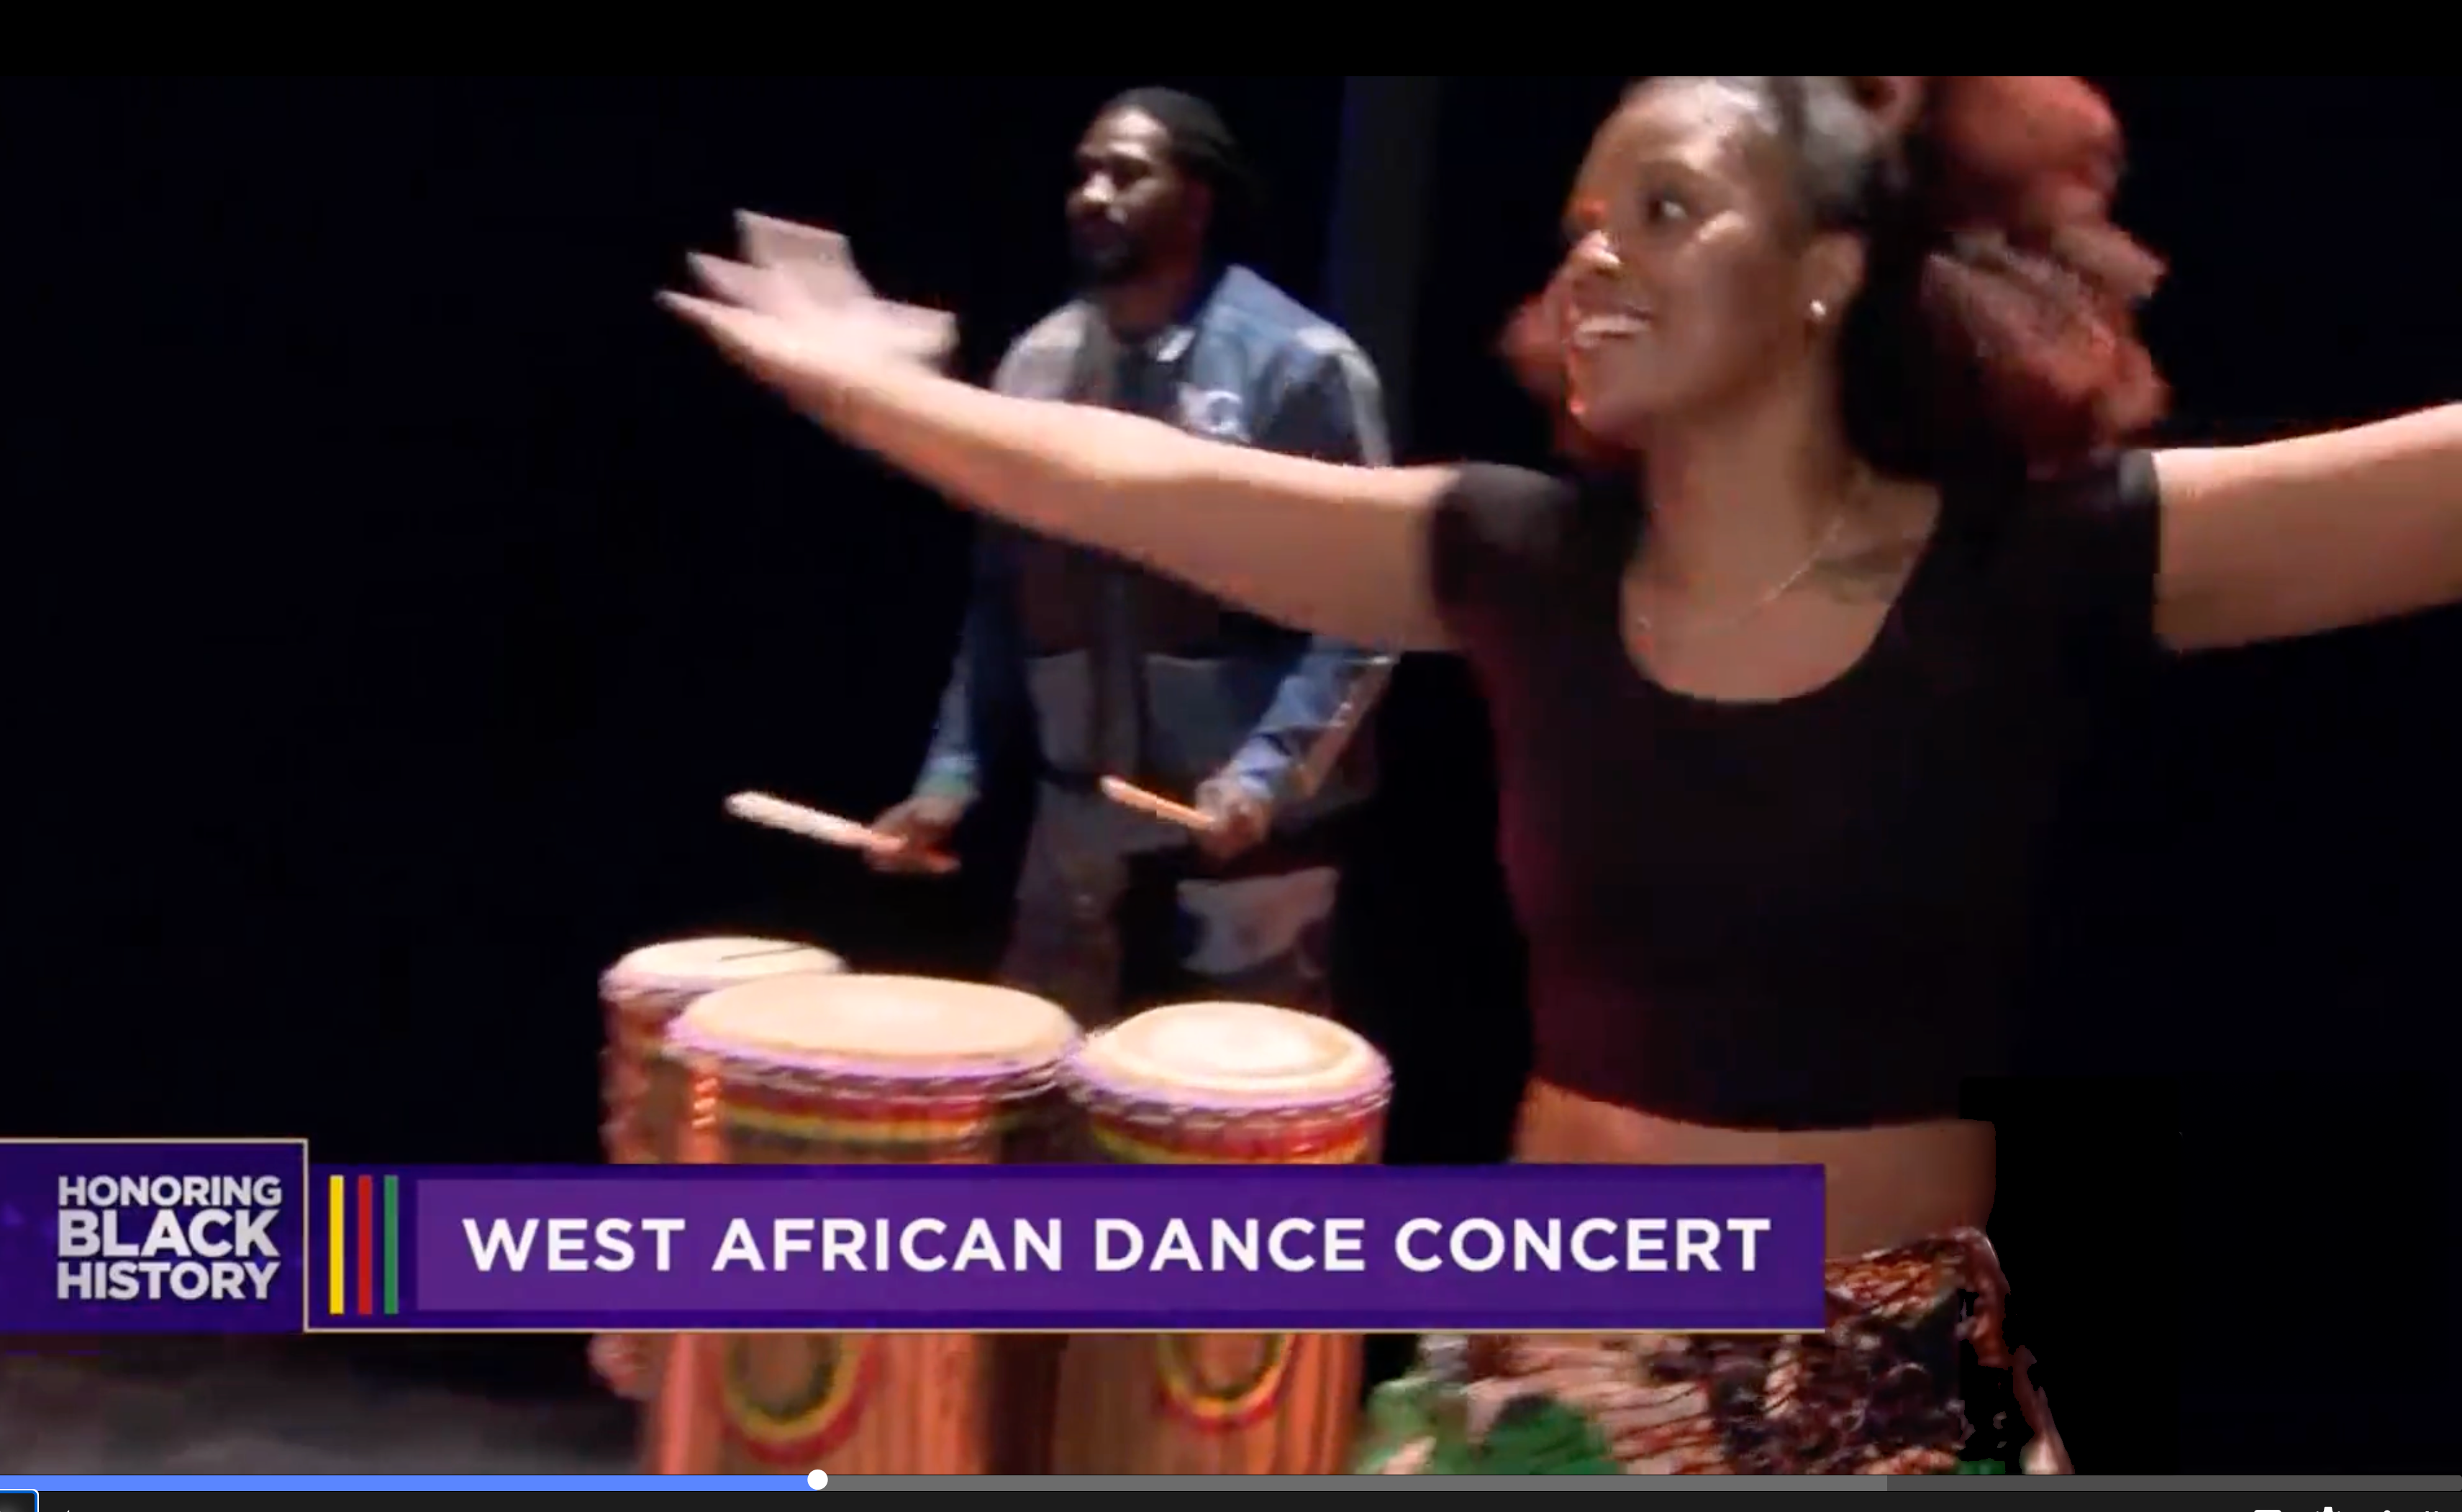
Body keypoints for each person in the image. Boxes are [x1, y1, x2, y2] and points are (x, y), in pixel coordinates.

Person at [663, 76, 2462, 1474]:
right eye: (1584, 221)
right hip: (1532, 1357)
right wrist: (869, 385)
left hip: (1866, 1393)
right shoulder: (1521, 559)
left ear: (1829, 274)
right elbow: (1117, 481)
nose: (1596, 254)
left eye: (1669, 210)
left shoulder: (2033, 568)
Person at [859, 87, 1394, 1026]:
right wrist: (949, 778)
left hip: (1244, 841)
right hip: (1079, 837)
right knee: (1047, 1110)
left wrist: (1266, 772)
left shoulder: (1297, 366)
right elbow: (1000, 600)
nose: (1094, 193)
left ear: (1196, 201)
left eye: (1126, 172)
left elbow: (1366, 610)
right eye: (1083, 172)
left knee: (1228, 1132)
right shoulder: (1034, 369)